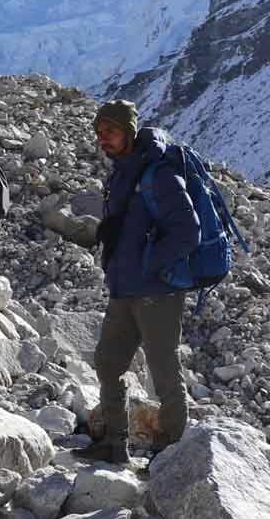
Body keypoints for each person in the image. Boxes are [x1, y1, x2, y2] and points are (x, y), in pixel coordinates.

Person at [76, 100, 201, 465]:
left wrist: (152, 267)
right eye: (99, 134)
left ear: (129, 131)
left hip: (157, 294)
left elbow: (188, 231)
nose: (103, 140)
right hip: (124, 290)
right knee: (107, 362)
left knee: (163, 371)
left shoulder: (159, 174)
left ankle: (171, 455)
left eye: (110, 132)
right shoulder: (121, 173)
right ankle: (114, 444)